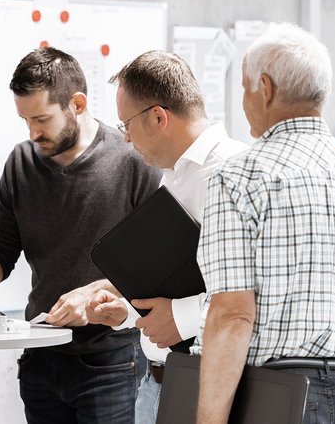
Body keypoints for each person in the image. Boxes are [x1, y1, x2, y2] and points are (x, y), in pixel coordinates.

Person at [0, 47, 161, 424]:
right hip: (40, 355)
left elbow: (156, 262)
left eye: (41, 119)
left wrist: (97, 296)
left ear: (77, 104)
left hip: (111, 361)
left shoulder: (133, 160)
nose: (33, 133)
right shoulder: (21, 162)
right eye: (25, 120)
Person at [194, 23, 335, 424]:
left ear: (264, 88)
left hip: (268, 397)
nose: (244, 100)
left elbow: (233, 316)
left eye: (245, 88)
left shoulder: (239, 179)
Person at [84, 50, 247, 423]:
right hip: (155, 382)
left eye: (126, 125)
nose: (125, 139)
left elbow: (260, 293)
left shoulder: (233, 173)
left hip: (209, 390)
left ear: (158, 117)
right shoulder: (174, 175)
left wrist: (182, 316)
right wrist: (128, 312)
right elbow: (181, 279)